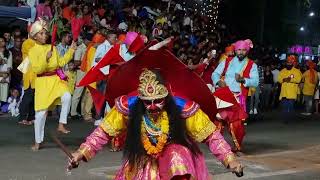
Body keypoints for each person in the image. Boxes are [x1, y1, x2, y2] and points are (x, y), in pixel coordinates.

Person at [69, 69, 243, 179]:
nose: (152, 107)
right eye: (147, 102)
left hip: (175, 162)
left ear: (167, 96)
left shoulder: (183, 107)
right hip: (143, 160)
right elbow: (103, 132)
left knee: (178, 154)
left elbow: (212, 136)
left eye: (158, 101)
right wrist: (81, 153)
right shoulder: (128, 105)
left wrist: (230, 160)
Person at [28, 19, 76, 151]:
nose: (45, 36)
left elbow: (60, 63)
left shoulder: (53, 48)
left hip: (56, 80)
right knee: (40, 115)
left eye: (45, 33)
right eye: (41, 33)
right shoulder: (33, 51)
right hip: (43, 83)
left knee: (67, 96)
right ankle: (38, 142)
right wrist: (46, 58)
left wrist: (71, 51)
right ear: (35, 36)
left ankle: (61, 124)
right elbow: (38, 69)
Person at [212, 39, 259, 155]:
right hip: (224, 94)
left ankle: (237, 148)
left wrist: (243, 80)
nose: (241, 52)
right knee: (218, 121)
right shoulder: (227, 61)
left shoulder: (252, 65)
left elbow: (255, 81)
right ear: (235, 50)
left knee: (236, 124)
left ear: (247, 51)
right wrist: (218, 82)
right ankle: (217, 146)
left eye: (243, 50)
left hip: (238, 97)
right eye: (239, 50)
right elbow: (215, 73)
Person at [278, 55, 302, 123]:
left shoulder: (296, 71)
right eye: (288, 63)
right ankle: (285, 119)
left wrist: (290, 80)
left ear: (292, 63)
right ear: (286, 63)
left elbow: (298, 80)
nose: (289, 64)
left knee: (290, 106)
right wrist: (283, 79)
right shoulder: (282, 71)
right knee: (285, 106)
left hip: (292, 92)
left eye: (290, 63)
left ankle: (290, 116)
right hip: (284, 92)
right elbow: (279, 79)